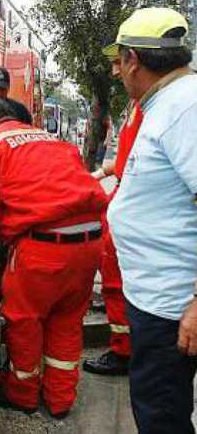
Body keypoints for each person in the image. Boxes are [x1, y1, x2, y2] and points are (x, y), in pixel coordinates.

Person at [0, 97, 107, 418]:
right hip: (91, 241)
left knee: (25, 320)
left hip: (41, 248)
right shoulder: (54, 141)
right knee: (66, 320)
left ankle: (23, 395)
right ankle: (60, 400)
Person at [104, 8, 197, 434]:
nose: (117, 71)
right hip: (158, 302)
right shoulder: (165, 103)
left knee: (162, 418)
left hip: (173, 307)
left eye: (118, 61)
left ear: (133, 61)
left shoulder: (184, 107)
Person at [83, 65, 143, 375]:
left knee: (117, 282)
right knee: (113, 277)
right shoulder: (141, 104)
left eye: (120, 62)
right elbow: (128, 158)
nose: (116, 71)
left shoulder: (153, 107)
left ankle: (124, 352)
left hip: (132, 205)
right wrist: (104, 171)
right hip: (123, 196)